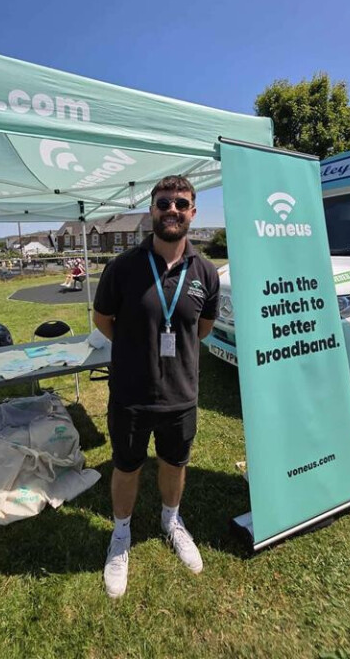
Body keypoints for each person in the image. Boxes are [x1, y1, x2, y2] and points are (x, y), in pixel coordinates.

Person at [93, 175, 220, 599]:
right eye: (164, 203)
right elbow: (103, 321)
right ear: (151, 209)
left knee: (174, 463)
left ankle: (170, 520)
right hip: (130, 393)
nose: (172, 210)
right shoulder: (123, 267)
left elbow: (201, 329)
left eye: (181, 204)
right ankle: (121, 535)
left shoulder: (205, 272)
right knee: (127, 467)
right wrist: (135, 348)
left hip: (181, 396)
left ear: (192, 213)